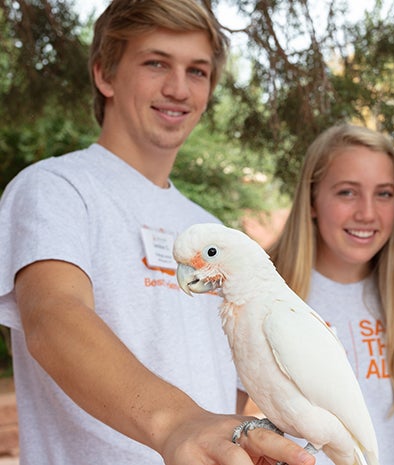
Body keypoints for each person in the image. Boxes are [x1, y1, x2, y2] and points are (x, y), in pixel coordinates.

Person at [0, 1, 314, 464]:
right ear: (105, 74)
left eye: (198, 71)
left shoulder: (210, 230)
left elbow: (228, 384)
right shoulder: (55, 188)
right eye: (156, 63)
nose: (178, 88)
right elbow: (53, 318)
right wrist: (177, 422)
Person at [258, 123, 394, 465]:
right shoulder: (266, 293)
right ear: (313, 200)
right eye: (347, 192)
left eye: (384, 194)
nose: (367, 213)